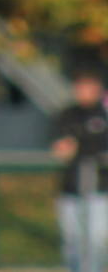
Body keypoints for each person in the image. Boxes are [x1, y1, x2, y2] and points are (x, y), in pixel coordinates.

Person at [52, 64, 108, 272]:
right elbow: (58, 147)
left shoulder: (103, 115)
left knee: (95, 240)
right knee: (72, 240)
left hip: (99, 188)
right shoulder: (67, 114)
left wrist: (80, 147)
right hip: (70, 187)